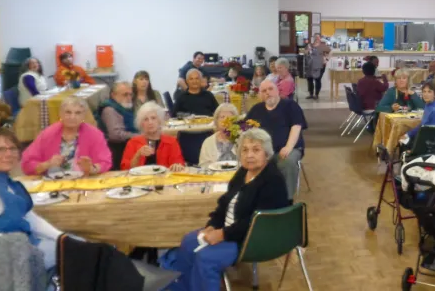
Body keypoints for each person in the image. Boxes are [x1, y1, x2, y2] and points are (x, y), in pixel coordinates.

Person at [171, 128, 289, 291]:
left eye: (256, 150)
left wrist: (222, 234)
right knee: (188, 242)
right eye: (245, 150)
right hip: (230, 231)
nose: (249, 155)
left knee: (205, 258)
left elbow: (256, 222)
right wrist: (212, 225)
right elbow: (225, 204)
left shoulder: (272, 180)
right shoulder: (243, 173)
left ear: (267, 154)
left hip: (252, 240)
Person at [0, 128, 64, 271]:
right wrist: (13, 244)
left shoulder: (9, 183)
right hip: (6, 260)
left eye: (12, 148)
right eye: (0, 149)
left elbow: (30, 218)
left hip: (26, 247)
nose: (8, 154)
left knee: (80, 247)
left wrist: (62, 237)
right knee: (83, 255)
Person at [245, 80, 307, 201]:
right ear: (260, 95)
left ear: (277, 90)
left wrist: (288, 147)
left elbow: (296, 127)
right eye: (264, 91)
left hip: (288, 149)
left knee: (287, 162)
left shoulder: (290, 106)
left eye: (270, 89)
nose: (268, 93)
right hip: (263, 152)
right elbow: (246, 128)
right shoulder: (256, 109)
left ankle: (286, 200)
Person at [21, 96, 112, 176]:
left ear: (84, 116)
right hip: (53, 184)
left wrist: (91, 169)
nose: (72, 117)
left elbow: (105, 162)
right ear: (60, 114)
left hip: (85, 182)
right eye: (68, 112)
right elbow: (27, 164)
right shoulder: (47, 134)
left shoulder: (95, 134)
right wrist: (47, 164)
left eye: (78, 113)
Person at [121, 102, 186, 171]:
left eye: (153, 118)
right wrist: (138, 155)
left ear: (159, 121)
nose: (150, 122)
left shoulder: (171, 142)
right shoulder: (133, 143)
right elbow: (125, 169)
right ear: (141, 124)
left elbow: (179, 163)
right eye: (146, 119)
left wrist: (177, 165)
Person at [98, 82, 139, 149]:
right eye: (125, 95)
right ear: (113, 95)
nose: (129, 98)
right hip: (116, 149)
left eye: (130, 94)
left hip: (129, 143)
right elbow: (115, 135)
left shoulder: (124, 106)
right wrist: (139, 136)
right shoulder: (109, 110)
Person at [305, 34, 329, 100]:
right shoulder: (309, 45)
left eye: (318, 37)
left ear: (320, 38)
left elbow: (329, 53)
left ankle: (316, 94)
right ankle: (311, 94)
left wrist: (326, 59)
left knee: (317, 79)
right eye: (315, 37)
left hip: (320, 65)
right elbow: (306, 53)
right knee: (309, 79)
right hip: (311, 65)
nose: (317, 39)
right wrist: (307, 51)